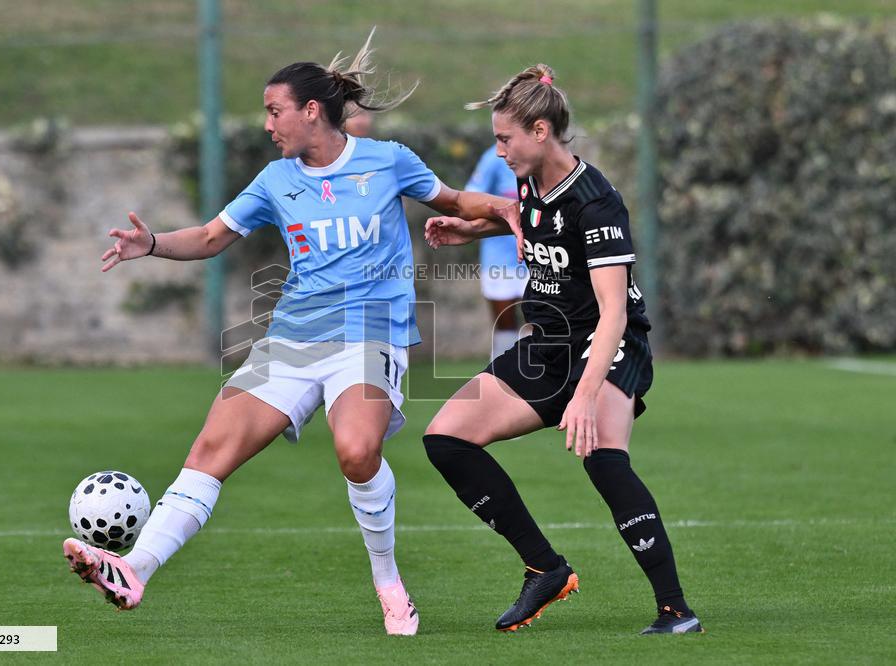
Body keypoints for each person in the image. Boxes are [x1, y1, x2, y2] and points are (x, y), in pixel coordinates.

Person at [62, 30, 515, 637]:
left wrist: (509, 207)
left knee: (357, 452)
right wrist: (151, 244)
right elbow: (210, 237)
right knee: (209, 453)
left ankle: (389, 583)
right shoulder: (276, 180)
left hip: (370, 336)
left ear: (311, 111)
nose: (268, 124)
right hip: (294, 338)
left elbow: (455, 201)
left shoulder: (388, 160)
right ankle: (132, 570)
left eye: (274, 111)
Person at [422, 64, 703, 635]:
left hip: (609, 343)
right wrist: (472, 231)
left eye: (506, 139)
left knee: (603, 459)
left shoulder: (597, 202)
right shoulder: (532, 180)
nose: (500, 151)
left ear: (541, 130)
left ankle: (676, 611)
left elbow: (614, 310)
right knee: (446, 440)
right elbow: (536, 222)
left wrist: (585, 394)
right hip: (547, 344)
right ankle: (545, 569)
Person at [465, 145, 529, 360]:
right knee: (505, 327)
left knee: (540, 322)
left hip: (537, 259)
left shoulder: (538, 157)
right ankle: (502, 374)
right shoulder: (493, 158)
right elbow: (469, 199)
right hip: (499, 260)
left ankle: (537, 373)